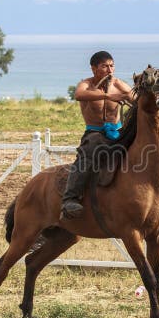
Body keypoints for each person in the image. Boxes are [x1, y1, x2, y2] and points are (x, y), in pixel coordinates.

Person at [60, 51, 133, 219]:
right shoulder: (86, 84)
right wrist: (108, 95)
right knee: (88, 154)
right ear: (94, 69)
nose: (110, 70)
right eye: (105, 66)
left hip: (118, 131)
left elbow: (134, 97)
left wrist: (134, 96)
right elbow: (79, 95)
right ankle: (70, 199)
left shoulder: (118, 84)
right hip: (95, 132)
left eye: (112, 65)